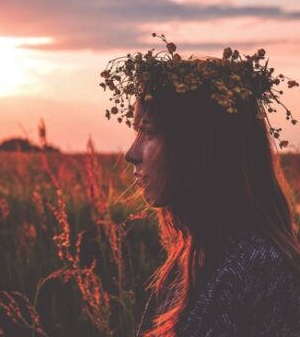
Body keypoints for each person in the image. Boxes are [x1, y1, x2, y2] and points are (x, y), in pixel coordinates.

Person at [100, 33, 300, 336]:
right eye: (136, 131)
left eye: (149, 132)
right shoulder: (197, 257)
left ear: (199, 148)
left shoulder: (257, 270)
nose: (131, 154)